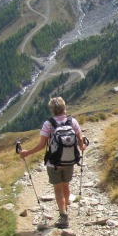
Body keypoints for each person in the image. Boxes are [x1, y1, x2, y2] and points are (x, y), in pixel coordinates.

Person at [19, 96, 87, 228]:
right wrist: (82, 147)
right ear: (64, 107)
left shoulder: (48, 124)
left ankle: (63, 216)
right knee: (66, 186)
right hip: (69, 161)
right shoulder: (72, 121)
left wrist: (27, 153)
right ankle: (65, 210)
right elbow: (80, 140)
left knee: (58, 189)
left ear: (52, 110)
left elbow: (41, 145)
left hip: (54, 163)